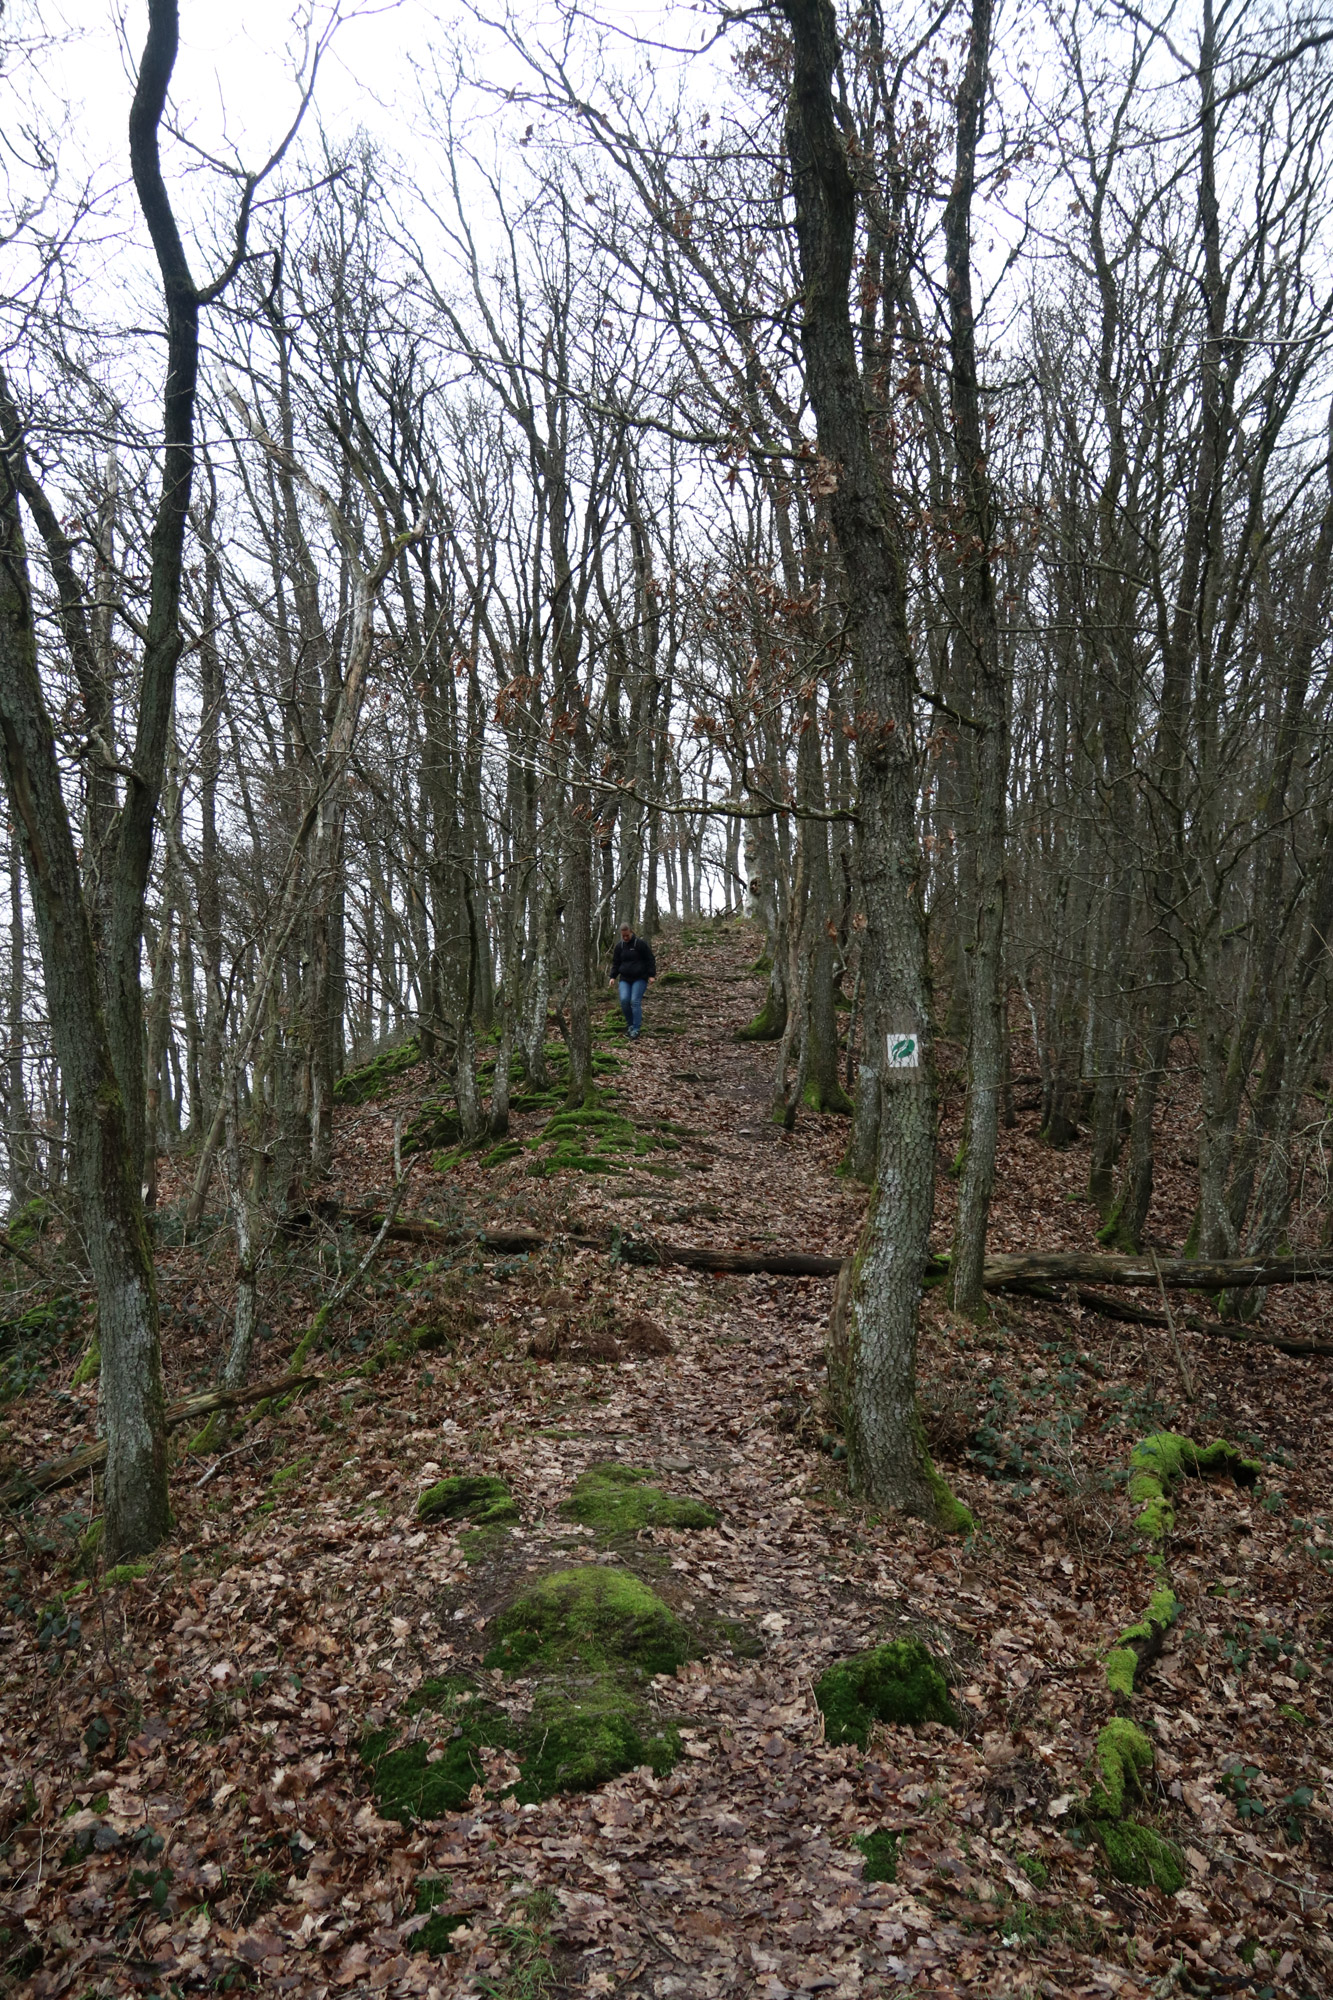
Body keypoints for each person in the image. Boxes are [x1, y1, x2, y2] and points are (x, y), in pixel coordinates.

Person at [610, 923, 656, 1040]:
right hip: (625, 978)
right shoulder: (619, 947)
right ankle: (630, 1025)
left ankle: (636, 1028)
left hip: (639, 978)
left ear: (631, 932)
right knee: (625, 1000)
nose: (625, 938)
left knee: (634, 1001)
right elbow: (616, 963)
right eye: (623, 936)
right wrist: (612, 977)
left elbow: (650, 959)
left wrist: (651, 975)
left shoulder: (639, 944)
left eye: (627, 935)